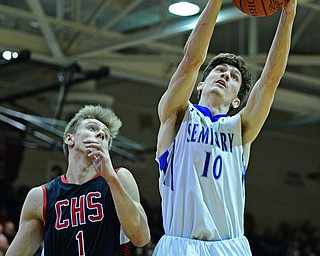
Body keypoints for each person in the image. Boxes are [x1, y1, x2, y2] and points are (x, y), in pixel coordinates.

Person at [153, 0, 297, 254]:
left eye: (233, 77)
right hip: (180, 244)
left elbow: (271, 80)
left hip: (230, 247)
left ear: (237, 100)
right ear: (200, 84)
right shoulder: (177, 114)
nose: (225, 76)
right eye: (219, 70)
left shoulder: (241, 128)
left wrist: (289, 14)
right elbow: (191, 60)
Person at [6, 105, 150, 255]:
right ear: (70, 138)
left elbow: (141, 238)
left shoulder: (119, 178)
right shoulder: (41, 196)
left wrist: (111, 179)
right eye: (92, 128)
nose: (101, 134)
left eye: (106, 136)